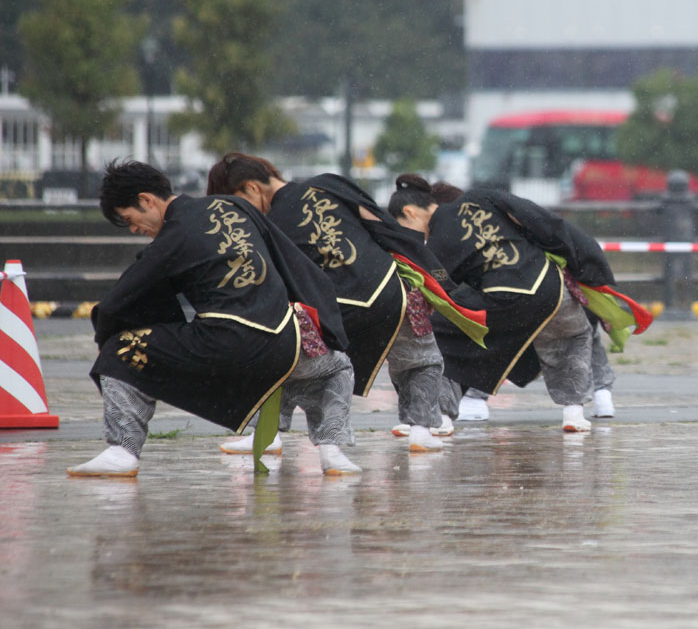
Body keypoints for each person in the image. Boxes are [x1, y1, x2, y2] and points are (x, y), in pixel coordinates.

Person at [69, 161, 361, 477]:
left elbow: (116, 305)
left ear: (147, 200)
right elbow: (291, 260)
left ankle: (122, 451)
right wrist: (325, 329)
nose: (136, 229)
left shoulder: (171, 239)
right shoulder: (234, 205)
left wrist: (107, 348)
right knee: (338, 365)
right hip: (286, 342)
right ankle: (332, 451)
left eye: (131, 219)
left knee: (120, 351)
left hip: (227, 345)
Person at [205, 154, 487, 456]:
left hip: (334, 307)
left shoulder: (267, 223)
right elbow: (384, 228)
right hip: (390, 292)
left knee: (285, 360)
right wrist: (431, 277)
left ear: (250, 188)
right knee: (421, 360)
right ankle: (421, 430)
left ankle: (267, 433)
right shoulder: (330, 184)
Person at [389, 176, 649, 432]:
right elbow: (541, 220)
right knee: (572, 338)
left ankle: (440, 417)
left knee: (444, 340)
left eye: (402, 226)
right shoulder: (481, 196)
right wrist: (586, 261)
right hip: (550, 286)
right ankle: (574, 413)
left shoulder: (436, 242)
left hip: (503, 297)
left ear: (409, 212)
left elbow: (441, 290)